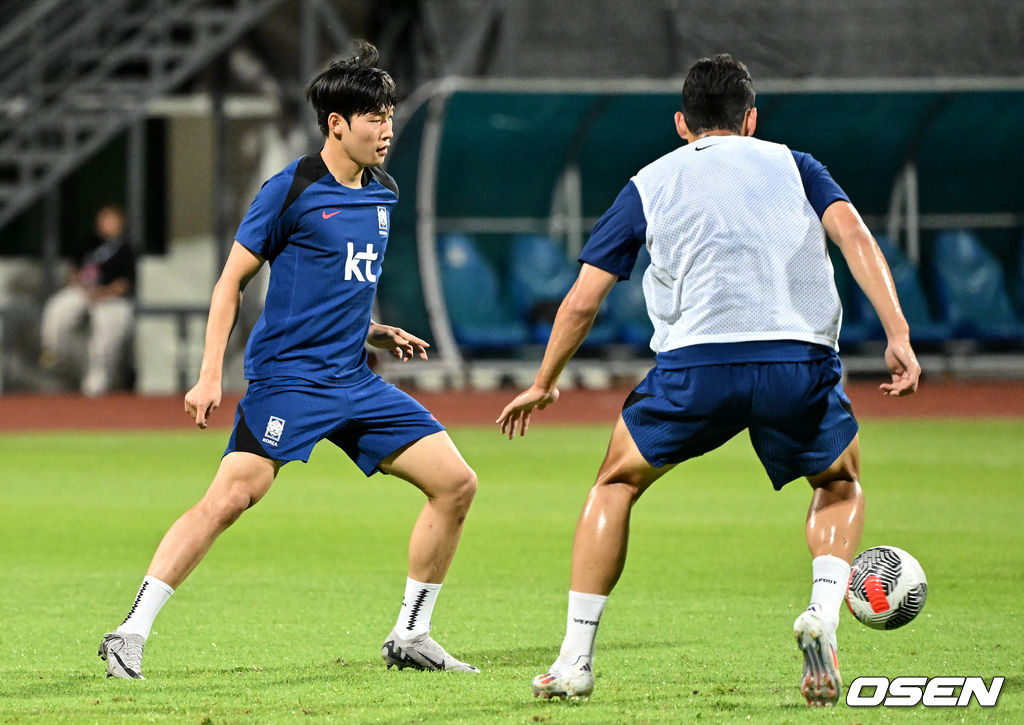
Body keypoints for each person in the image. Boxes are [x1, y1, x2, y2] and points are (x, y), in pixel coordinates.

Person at [497, 54, 921, 706]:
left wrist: (546, 379)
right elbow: (856, 236)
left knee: (615, 482)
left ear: (681, 123)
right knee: (838, 480)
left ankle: (574, 660)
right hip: (796, 362)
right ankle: (824, 617)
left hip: (697, 366)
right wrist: (897, 332)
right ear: (751, 118)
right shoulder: (795, 164)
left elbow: (584, 298)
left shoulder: (649, 181)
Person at [98, 41, 479, 680]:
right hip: (290, 382)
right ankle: (129, 632)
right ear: (337, 124)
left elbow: (335, 288)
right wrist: (209, 371)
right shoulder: (291, 189)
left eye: (389, 115)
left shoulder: (382, 193)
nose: (387, 130)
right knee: (231, 497)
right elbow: (230, 283)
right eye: (374, 118)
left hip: (354, 379)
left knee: (456, 483)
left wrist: (374, 332)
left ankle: (411, 634)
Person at [39, 204, 136, 395]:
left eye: (111, 220)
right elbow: (73, 269)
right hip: (85, 291)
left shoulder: (126, 248)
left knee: (105, 339)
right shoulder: (90, 242)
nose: (106, 224)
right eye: (103, 219)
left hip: (110, 299)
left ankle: (95, 387)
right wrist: (85, 287)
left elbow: (125, 284)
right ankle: (53, 352)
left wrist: (102, 293)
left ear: (120, 222)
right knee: (57, 308)